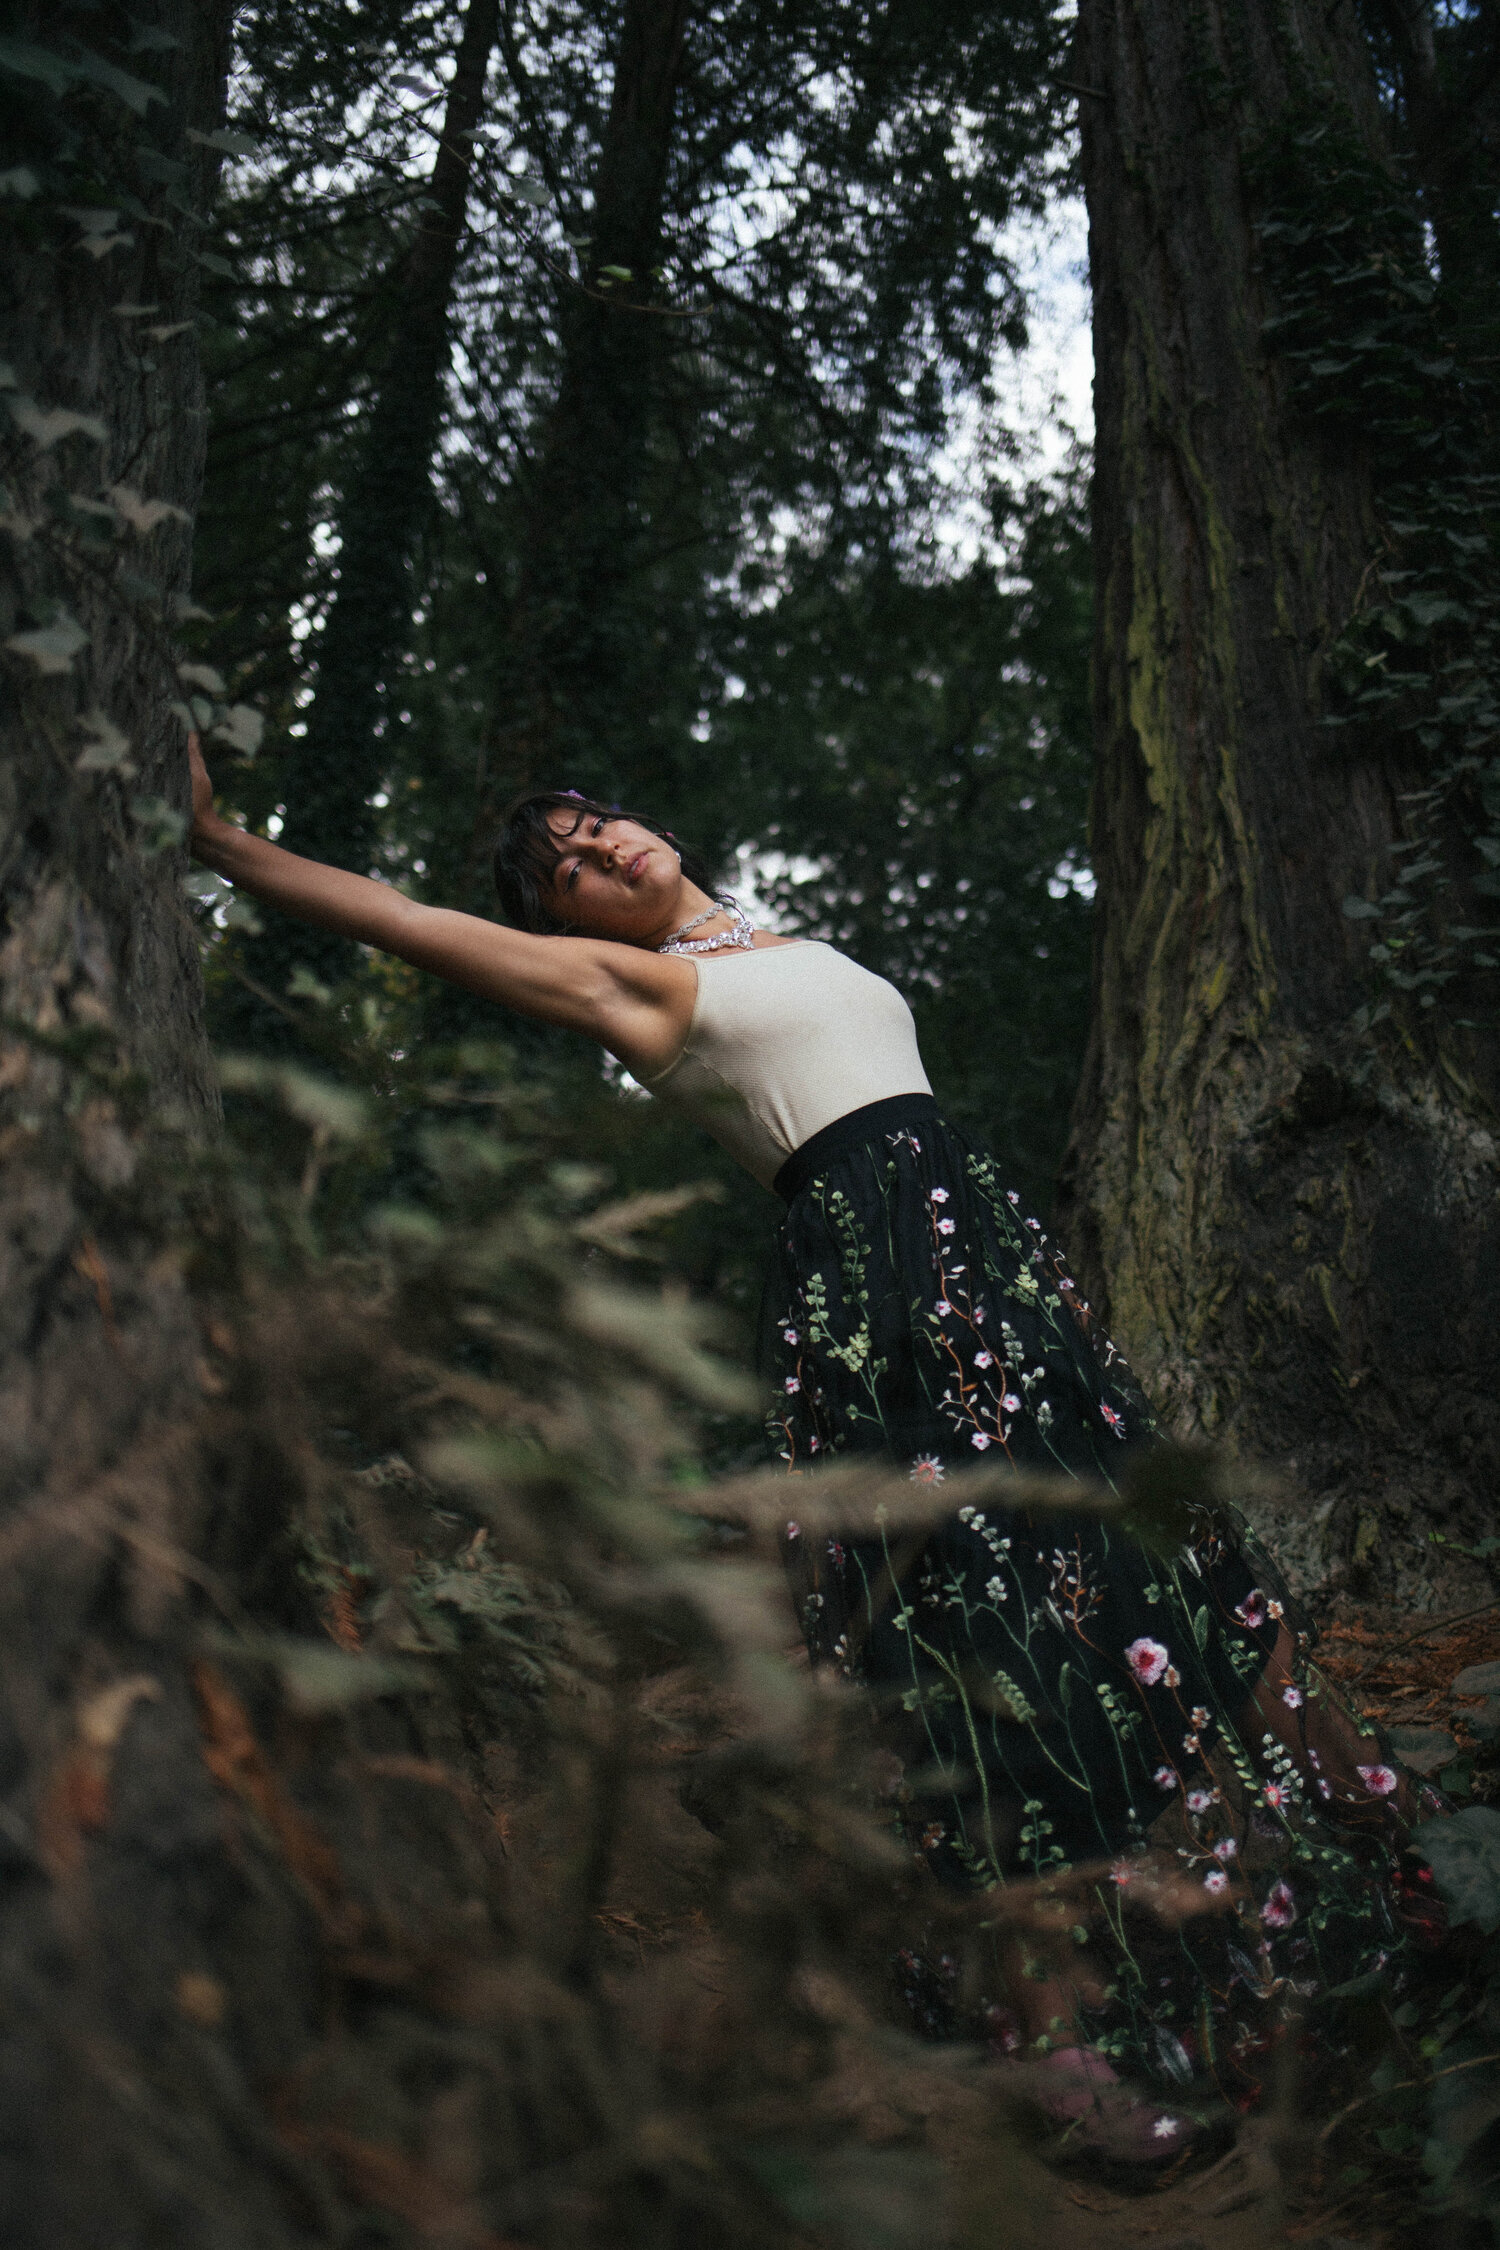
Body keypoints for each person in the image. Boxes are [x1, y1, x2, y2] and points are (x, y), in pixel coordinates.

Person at [188, 746, 1439, 2160]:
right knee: (963, 1633)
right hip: (882, 1297)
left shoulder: (768, 938)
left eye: (599, 827)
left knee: (1152, 1554)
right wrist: (228, 843)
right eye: (568, 874)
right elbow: (410, 922)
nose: (599, 855)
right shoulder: (644, 991)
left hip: (993, 1275)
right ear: (571, 932)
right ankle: (1057, 2029)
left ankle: (1329, 1892)